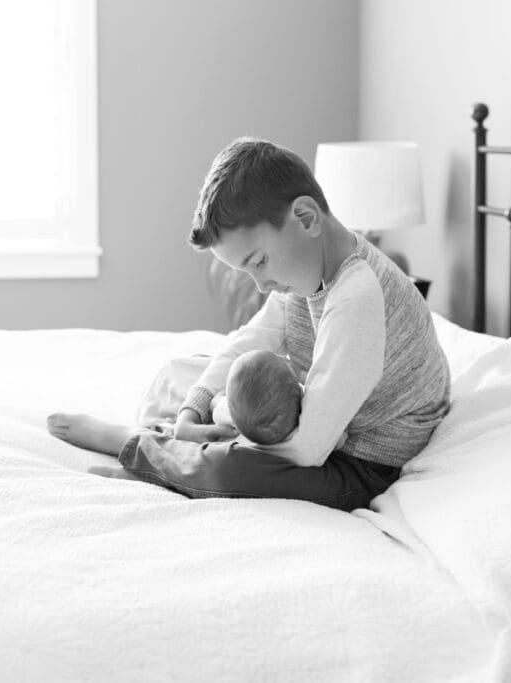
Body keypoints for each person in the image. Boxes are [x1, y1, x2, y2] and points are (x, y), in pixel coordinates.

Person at [47, 137, 450, 511]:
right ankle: (178, 447)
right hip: (328, 415)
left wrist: (227, 432)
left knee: (231, 469)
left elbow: (308, 449)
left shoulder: (358, 298)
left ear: (306, 218)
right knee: (185, 375)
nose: (260, 283)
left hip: (361, 462)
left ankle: (140, 448)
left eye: (258, 261)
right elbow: (248, 342)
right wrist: (194, 410)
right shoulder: (308, 272)